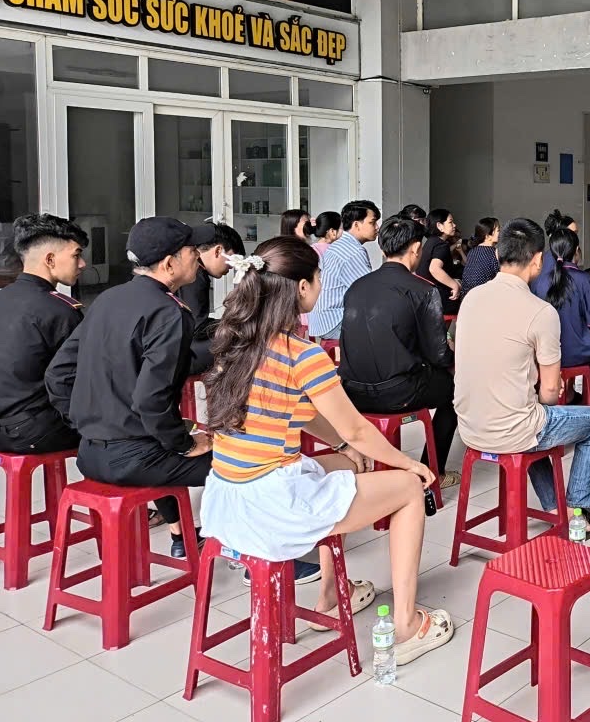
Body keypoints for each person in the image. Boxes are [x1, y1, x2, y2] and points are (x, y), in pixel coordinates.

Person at [200, 236, 454, 663]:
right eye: (318, 278)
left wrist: (341, 446)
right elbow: (357, 428)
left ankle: (331, 595)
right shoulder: (301, 353)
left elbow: (308, 416)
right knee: (410, 489)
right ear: (302, 287)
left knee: (343, 465)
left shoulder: (236, 340)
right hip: (272, 504)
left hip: (227, 497)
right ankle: (408, 625)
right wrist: (409, 464)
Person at [45, 218, 213, 558]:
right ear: (169, 264)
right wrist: (183, 444)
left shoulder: (107, 299)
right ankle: (246, 554)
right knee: (248, 464)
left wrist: (88, 423)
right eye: (191, 251)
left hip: (90, 455)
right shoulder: (169, 313)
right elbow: (151, 400)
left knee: (163, 435)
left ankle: (182, 538)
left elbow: (58, 374)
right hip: (136, 460)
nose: (197, 256)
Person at [454, 218, 590, 536]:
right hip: (514, 429)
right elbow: (550, 391)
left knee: (531, 415)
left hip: (469, 426)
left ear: (498, 255)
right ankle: (576, 514)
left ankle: (554, 506)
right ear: (538, 260)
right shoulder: (540, 311)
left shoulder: (472, 299)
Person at [339, 217, 460, 488]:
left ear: (383, 249)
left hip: (351, 392)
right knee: (454, 392)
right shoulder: (423, 290)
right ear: (416, 248)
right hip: (398, 393)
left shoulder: (357, 287)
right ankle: (434, 473)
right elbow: (438, 354)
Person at [0, 214, 87, 454]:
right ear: (50, 259)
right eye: (76, 255)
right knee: (126, 428)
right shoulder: (60, 312)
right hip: (32, 431)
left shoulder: (2, 298)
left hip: (4, 427)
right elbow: (80, 379)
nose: (82, 264)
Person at [308, 200, 380, 341]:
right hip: (334, 321)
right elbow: (370, 292)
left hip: (321, 320)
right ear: (356, 225)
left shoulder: (339, 244)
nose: (377, 227)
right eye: (372, 222)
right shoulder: (353, 251)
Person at [178, 222, 244, 375]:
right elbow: (197, 328)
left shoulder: (196, 272)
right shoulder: (195, 275)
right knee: (239, 340)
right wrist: (234, 325)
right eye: (232, 260)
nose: (231, 267)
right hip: (180, 352)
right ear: (218, 251)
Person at [533, 227, 590, 369]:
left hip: (547, 353)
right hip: (580, 353)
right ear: (577, 250)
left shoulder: (540, 281)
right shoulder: (584, 279)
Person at [420, 208, 463, 316]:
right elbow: (434, 268)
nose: (454, 225)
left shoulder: (430, 242)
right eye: (450, 222)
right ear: (439, 226)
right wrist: (454, 285)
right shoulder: (441, 245)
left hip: (427, 296)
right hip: (440, 299)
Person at [532, 209, 577, 295]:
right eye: (572, 233)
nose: (575, 238)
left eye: (576, 233)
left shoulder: (548, 257)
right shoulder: (549, 262)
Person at [460, 217, 500, 298]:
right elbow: (499, 276)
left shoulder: (472, 251)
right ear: (488, 236)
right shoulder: (494, 252)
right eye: (498, 230)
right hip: (484, 296)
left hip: (467, 297)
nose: (500, 233)